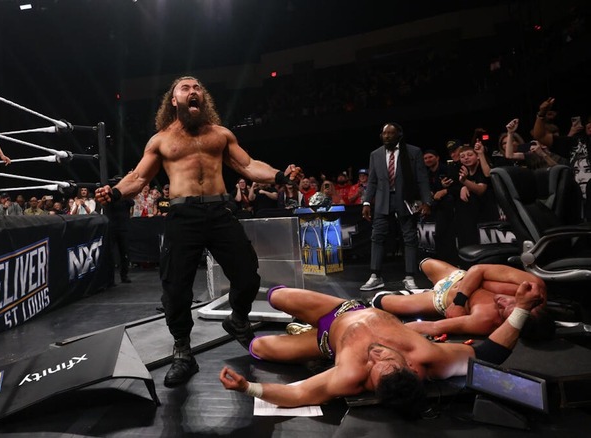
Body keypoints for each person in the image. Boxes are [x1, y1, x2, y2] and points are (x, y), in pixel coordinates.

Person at [95, 76, 299, 388]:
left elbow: (248, 165)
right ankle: (183, 352)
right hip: (182, 215)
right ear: (173, 100)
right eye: (185, 87)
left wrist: (279, 175)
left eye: (198, 87)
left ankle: (238, 319)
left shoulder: (220, 134)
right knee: (176, 289)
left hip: (220, 212)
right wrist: (116, 192)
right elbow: (138, 178)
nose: (194, 91)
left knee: (247, 275)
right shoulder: (161, 140)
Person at [220, 280, 544, 416]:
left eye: (377, 365)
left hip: (325, 342)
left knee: (259, 347)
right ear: (413, 368)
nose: (375, 355)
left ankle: (293, 333)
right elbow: (491, 354)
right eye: (388, 357)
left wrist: (247, 387)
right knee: (277, 296)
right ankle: (297, 321)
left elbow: (297, 394)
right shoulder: (428, 357)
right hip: (345, 309)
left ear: (368, 382)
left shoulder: (349, 376)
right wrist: (523, 308)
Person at [369, 258, 553, 337]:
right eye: (511, 303)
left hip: (439, 299)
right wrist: (459, 302)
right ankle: (423, 289)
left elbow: (433, 326)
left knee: (378, 300)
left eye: (503, 311)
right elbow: (478, 269)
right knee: (424, 263)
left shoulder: (485, 321)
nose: (501, 302)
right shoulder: (532, 283)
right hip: (458, 277)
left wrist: (383, 335)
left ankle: (419, 294)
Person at [361, 123, 432, 291]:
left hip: (407, 199)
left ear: (399, 135)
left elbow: (422, 179)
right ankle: (375, 276)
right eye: (384, 134)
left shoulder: (413, 152)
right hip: (383, 200)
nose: (386, 136)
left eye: (390, 134)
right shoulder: (375, 154)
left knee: (409, 237)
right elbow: (372, 181)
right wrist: (366, 202)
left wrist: (427, 201)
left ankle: (409, 277)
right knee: (377, 236)